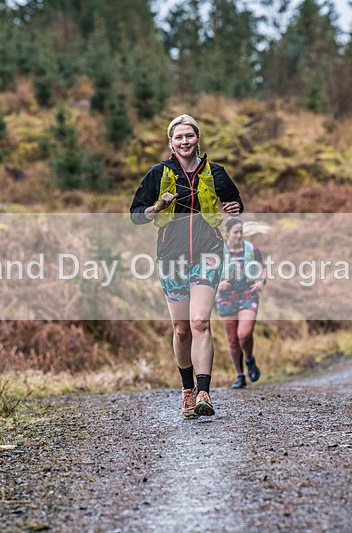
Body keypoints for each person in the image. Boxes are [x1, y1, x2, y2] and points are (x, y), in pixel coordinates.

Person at [130, 114, 243, 419]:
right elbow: (136, 213)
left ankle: (204, 391)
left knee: (199, 323)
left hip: (208, 253)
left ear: (197, 139)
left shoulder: (215, 172)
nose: (184, 142)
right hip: (171, 257)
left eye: (189, 136)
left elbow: (234, 202)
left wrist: (234, 207)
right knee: (181, 330)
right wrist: (158, 207)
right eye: (178, 137)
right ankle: (187, 391)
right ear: (171, 142)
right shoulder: (158, 173)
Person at [216, 218, 264, 389]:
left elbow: (262, 270)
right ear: (227, 232)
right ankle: (239, 375)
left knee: (244, 334)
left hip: (247, 295)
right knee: (233, 340)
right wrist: (218, 284)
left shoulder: (251, 249)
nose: (239, 235)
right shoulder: (218, 251)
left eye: (241, 232)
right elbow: (208, 272)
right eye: (235, 232)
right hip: (226, 297)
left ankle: (250, 359)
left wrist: (260, 282)